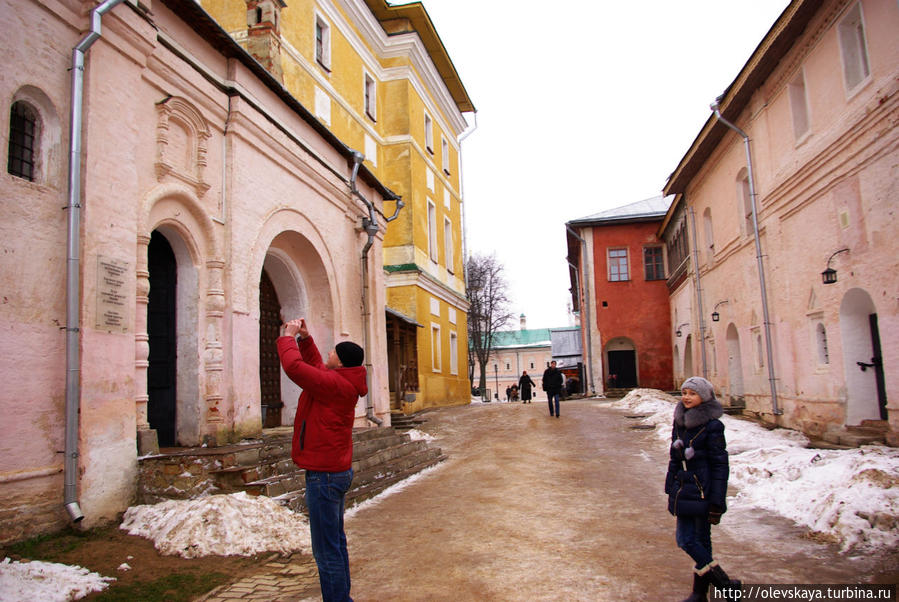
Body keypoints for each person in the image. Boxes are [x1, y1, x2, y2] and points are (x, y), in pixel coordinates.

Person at [278, 318, 367, 602]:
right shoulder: (340, 382)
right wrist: (305, 340)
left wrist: (288, 338)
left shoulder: (335, 385)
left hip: (324, 477)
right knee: (335, 544)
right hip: (333, 473)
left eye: (333, 352)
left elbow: (295, 369)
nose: (329, 353)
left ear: (340, 363)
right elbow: (317, 368)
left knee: (326, 551)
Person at [665, 377, 741, 602]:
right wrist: (670, 485)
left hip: (701, 489)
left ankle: (724, 585)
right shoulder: (680, 421)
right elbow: (674, 458)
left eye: (692, 393)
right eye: (684, 392)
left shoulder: (712, 425)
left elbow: (720, 464)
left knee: (688, 540)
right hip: (683, 488)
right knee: (697, 542)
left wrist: (718, 499)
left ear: (705, 397)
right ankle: (701, 593)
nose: (686, 397)